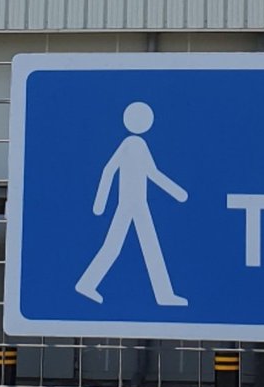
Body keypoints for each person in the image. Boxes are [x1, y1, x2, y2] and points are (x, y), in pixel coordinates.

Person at [75, 101, 188, 306]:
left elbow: (150, 173)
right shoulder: (132, 144)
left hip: (137, 204)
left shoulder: (136, 144)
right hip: (129, 204)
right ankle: (87, 283)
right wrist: (99, 203)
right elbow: (109, 169)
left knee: (141, 247)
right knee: (126, 247)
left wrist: (176, 192)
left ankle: (163, 295)